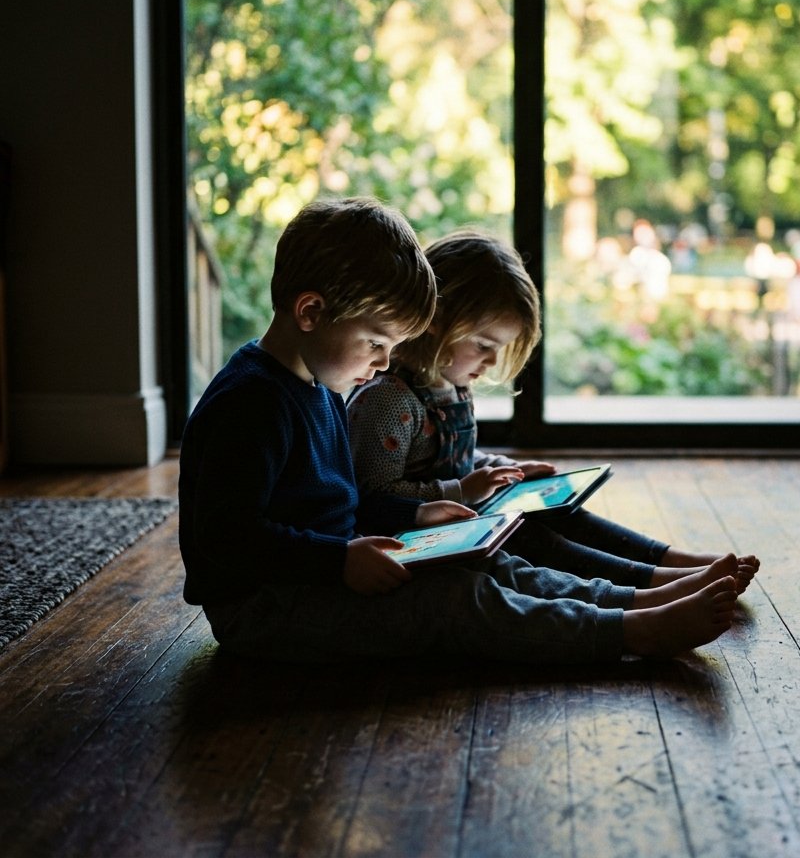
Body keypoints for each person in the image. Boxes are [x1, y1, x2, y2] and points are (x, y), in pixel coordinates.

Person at [178, 197, 739, 665]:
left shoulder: (322, 385)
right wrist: (339, 560)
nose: (382, 364)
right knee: (456, 601)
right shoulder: (250, 404)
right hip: (266, 611)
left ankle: (627, 604)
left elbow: (346, 502)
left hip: (323, 573)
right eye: (377, 343)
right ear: (310, 312)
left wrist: (417, 517)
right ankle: (626, 634)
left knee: (490, 562)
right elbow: (228, 542)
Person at [348, 230, 760, 594]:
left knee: (564, 513)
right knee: (531, 535)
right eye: (483, 345)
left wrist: (504, 471)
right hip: (417, 537)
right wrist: (463, 491)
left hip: (458, 514)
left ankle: (670, 560)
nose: (490, 362)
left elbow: (447, 461)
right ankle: (650, 581)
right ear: (436, 321)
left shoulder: (450, 385)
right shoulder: (389, 399)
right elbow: (373, 496)